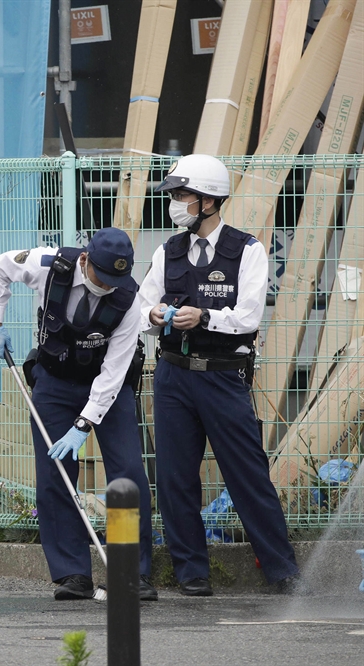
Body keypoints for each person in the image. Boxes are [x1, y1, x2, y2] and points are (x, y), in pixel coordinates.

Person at [138, 153, 299, 596]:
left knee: (247, 473)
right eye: (174, 194)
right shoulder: (166, 250)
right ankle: (192, 572)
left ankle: (281, 569)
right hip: (172, 377)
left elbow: (248, 316)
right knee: (175, 477)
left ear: (209, 201)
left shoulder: (246, 249)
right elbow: (141, 305)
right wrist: (153, 313)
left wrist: (203, 317)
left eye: (183, 195)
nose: (175, 203)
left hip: (223, 377)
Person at [0, 227, 157, 601]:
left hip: (108, 390)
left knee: (127, 474)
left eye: (116, 280)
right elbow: (0, 267)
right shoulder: (49, 264)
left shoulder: (129, 300)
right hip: (54, 381)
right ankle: (72, 573)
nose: (109, 286)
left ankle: (132, 571)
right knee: (55, 475)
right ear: (85, 260)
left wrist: (84, 424)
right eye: (103, 277)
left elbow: (114, 372)